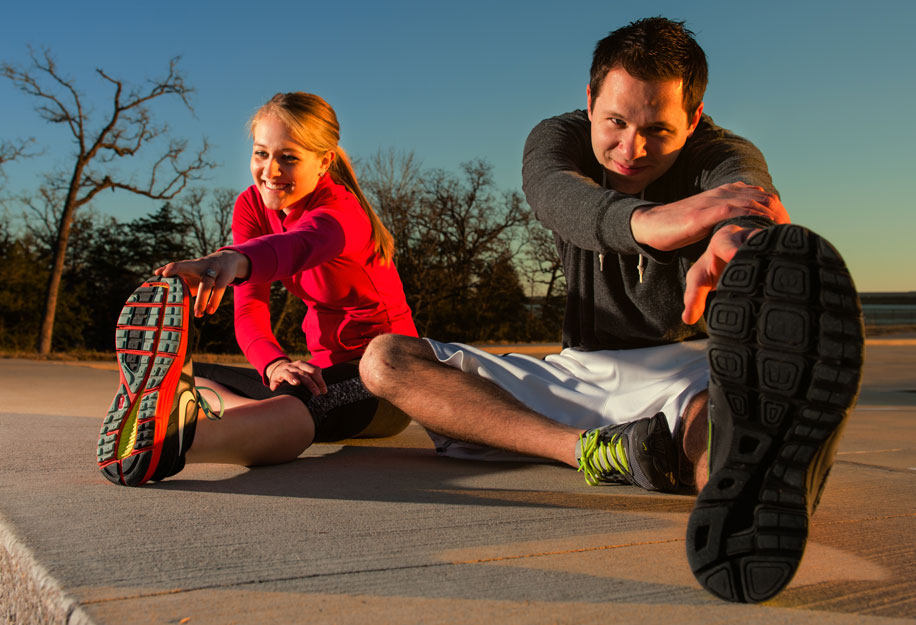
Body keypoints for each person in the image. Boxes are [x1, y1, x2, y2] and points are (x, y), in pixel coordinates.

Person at [357, 17, 863, 603]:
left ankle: (765, 484)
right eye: (616, 122)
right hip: (580, 371)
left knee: (717, 443)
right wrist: (654, 224)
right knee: (386, 360)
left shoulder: (722, 153)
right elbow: (556, 195)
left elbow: (744, 195)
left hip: (687, 366)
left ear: (694, 118)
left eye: (658, 130)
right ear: (590, 99)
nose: (631, 149)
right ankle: (590, 451)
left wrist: (738, 240)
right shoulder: (558, 137)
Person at [96, 92, 418, 488]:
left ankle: (178, 442)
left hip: (388, 382)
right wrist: (274, 364)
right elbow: (250, 311)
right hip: (320, 372)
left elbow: (295, 247)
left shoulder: (341, 214)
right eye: (261, 153)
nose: (270, 170)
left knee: (307, 404)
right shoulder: (252, 207)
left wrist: (233, 260)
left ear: (324, 161)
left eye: (289, 157)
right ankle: (194, 412)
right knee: (193, 373)